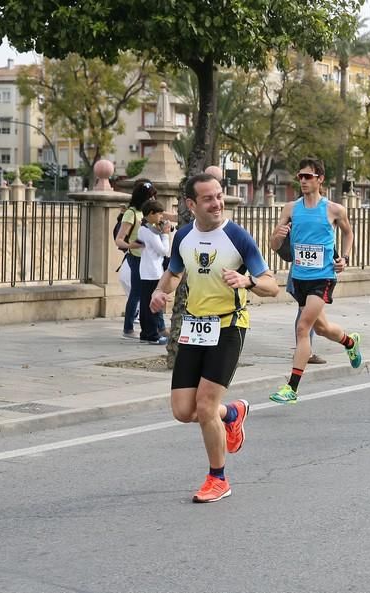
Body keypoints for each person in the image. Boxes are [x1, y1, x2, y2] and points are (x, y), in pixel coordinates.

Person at [149, 172, 279, 503]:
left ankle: (218, 478)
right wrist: (160, 292)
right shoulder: (183, 237)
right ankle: (232, 414)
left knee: (206, 406)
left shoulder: (237, 236)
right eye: (208, 198)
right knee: (183, 410)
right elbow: (175, 272)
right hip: (194, 327)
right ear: (191, 205)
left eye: (219, 196)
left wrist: (247, 282)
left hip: (229, 325)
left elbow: (272, 285)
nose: (217, 203)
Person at [269, 157, 362, 404]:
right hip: (299, 277)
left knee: (303, 328)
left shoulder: (334, 209)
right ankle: (350, 341)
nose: (302, 181)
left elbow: (348, 232)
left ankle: (292, 388)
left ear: (320, 179)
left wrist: (344, 258)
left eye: (308, 176)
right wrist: (276, 237)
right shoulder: (290, 209)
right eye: (300, 176)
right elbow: (274, 245)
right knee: (321, 328)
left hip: (323, 277)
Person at [116, 180, 157, 339]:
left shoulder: (150, 211)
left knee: (153, 292)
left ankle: (156, 328)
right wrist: (132, 245)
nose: (153, 200)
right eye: (150, 197)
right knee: (137, 293)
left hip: (151, 259)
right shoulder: (131, 213)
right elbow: (119, 240)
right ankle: (128, 328)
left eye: (154, 196)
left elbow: (170, 216)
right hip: (137, 258)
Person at [137, 200, 172, 344]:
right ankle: (153, 335)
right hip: (153, 272)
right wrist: (165, 235)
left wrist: (160, 230)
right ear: (151, 214)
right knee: (154, 304)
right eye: (159, 214)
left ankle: (146, 333)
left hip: (146, 271)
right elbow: (163, 251)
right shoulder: (149, 232)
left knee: (146, 304)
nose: (161, 217)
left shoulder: (144, 229)